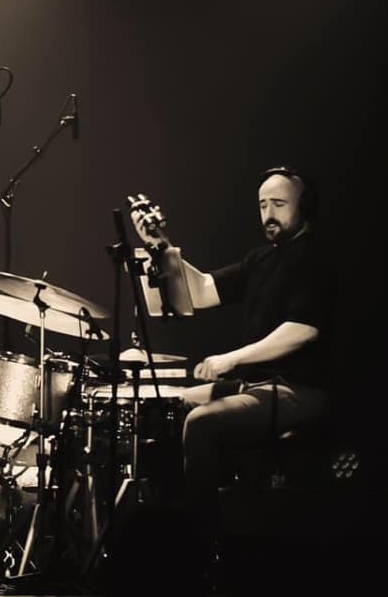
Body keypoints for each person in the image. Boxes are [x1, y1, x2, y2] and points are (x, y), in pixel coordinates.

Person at [138, 167, 335, 509]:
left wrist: (231, 359)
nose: (268, 215)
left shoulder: (315, 258)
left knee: (200, 423)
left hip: (297, 390)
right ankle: (166, 512)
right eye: (262, 206)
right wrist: (161, 246)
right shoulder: (260, 259)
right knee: (170, 404)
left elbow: (302, 330)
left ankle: (204, 534)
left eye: (278, 204)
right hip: (254, 388)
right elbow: (199, 292)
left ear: (305, 206)